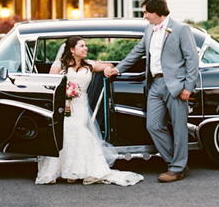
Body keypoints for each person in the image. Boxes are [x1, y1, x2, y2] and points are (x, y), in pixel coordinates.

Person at [104, 0, 198, 183]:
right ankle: (176, 163)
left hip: (176, 85)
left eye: (146, 12)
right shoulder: (149, 30)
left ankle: (176, 169)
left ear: (157, 12)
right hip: (155, 84)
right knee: (153, 125)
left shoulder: (180, 29)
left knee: (179, 129)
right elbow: (137, 52)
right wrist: (117, 69)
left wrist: (189, 86)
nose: (145, 16)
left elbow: (192, 58)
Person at [35, 36, 143, 186]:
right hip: (63, 106)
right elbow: (50, 86)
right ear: (72, 50)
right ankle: (67, 171)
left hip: (81, 106)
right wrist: (65, 93)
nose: (86, 48)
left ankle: (78, 170)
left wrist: (107, 69)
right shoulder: (59, 65)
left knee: (78, 129)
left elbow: (109, 65)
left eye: (85, 46)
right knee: (64, 132)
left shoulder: (89, 65)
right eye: (82, 46)